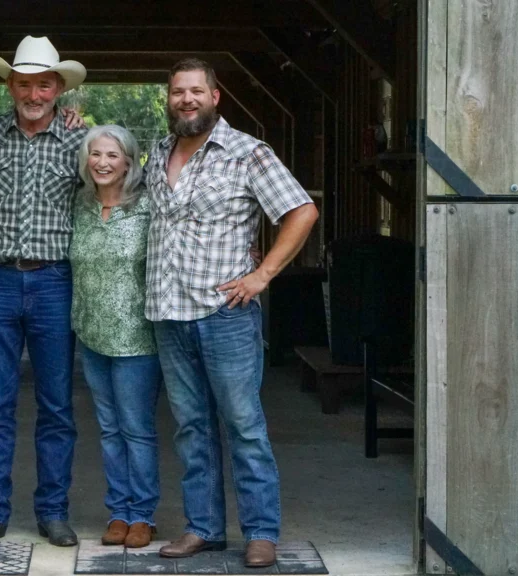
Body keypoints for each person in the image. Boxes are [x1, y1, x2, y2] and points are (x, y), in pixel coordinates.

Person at [144, 58, 318, 567]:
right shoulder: (158, 154)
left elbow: (301, 210)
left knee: (243, 425)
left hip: (225, 314)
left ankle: (261, 531)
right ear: (169, 99)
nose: (187, 100)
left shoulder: (247, 153)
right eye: (178, 92)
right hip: (168, 313)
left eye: (197, 91)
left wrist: (263, 274)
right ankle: (203, 528)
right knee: (190, 427)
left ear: (215, 97)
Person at [0, 35, 88, 547]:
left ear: (59, 89)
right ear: (10, 85)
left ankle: (53, 511)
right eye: (25, 83)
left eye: (44, 84)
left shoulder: (81, 143)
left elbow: (112, 196)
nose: (34, 93)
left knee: (57, 404)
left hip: (56, 280)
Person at [69, 125, 161, 549]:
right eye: (95, 154)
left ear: (129, 161)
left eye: (112, 155)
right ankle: (118, 512)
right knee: (108, 428)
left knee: (136, 429)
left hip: (137, 338)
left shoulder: (148, 207)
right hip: (91, 333)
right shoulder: (80, 204)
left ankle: (143, 516)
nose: (103, 162)